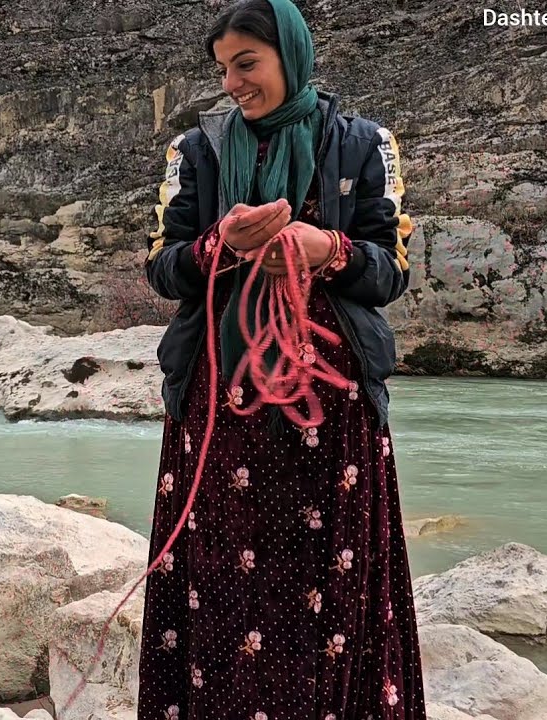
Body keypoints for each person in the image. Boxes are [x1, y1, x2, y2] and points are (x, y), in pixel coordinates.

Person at [138, 0, 425, 717]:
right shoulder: (194, 154)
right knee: (222, 578)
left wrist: (323, 248)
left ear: (291, 57)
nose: (232, 84)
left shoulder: (366, 145)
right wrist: (220, 248)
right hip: (221, 396)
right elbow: (162, 268)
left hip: (328, 405)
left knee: (327, 585)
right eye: (223, 70)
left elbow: (390, 271)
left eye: (247, 64)